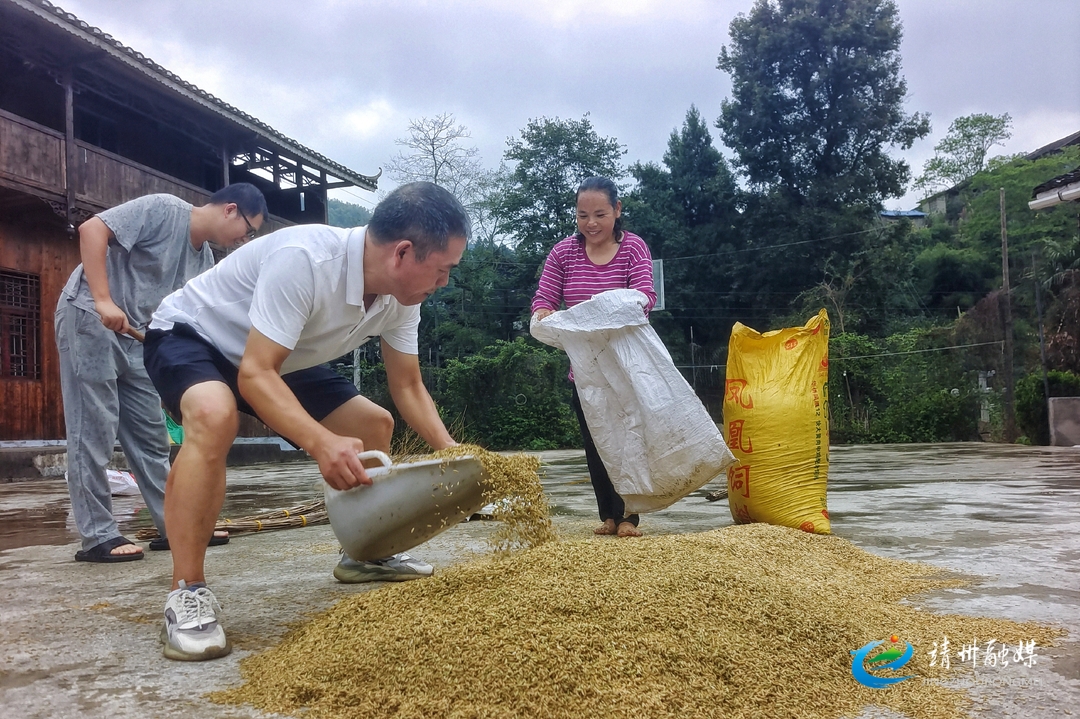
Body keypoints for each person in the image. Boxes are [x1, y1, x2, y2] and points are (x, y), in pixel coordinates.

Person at [143, 181, 467, 661]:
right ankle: (187, 592)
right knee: (215, 416)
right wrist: (319, 442)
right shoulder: (307, 259)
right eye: (442, 271)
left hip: (276, 356)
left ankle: (365, 555)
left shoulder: (403, 299)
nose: (443, 283)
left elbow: (408, 387)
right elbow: (254, 375)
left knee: (373, 426)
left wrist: (452, 451)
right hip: (193, 336)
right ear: (402, 253)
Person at [56, 184, 268, 563]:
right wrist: (104, 299)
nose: (244, 240)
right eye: (249, 230)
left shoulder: (203, 262)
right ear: (230, 210)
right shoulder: (164, 209)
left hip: (138, 338)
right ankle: (98, 535)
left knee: (151, 438)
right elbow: (92, 229)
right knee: (94, 428)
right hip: (90, 317)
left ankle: (176, 525)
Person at [531, 177, 657, 539]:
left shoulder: (634, 248)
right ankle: (608, 515)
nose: (591, 223)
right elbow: (544, 298)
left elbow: (644, 297)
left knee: (630, 439)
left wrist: (607, 311)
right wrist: (541, 314)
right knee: (597, 440)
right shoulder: (563, 253)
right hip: (584, 369)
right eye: (583, 215)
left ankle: (629, 516)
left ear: (617, 211)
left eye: (600, 214)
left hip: (627, 363)